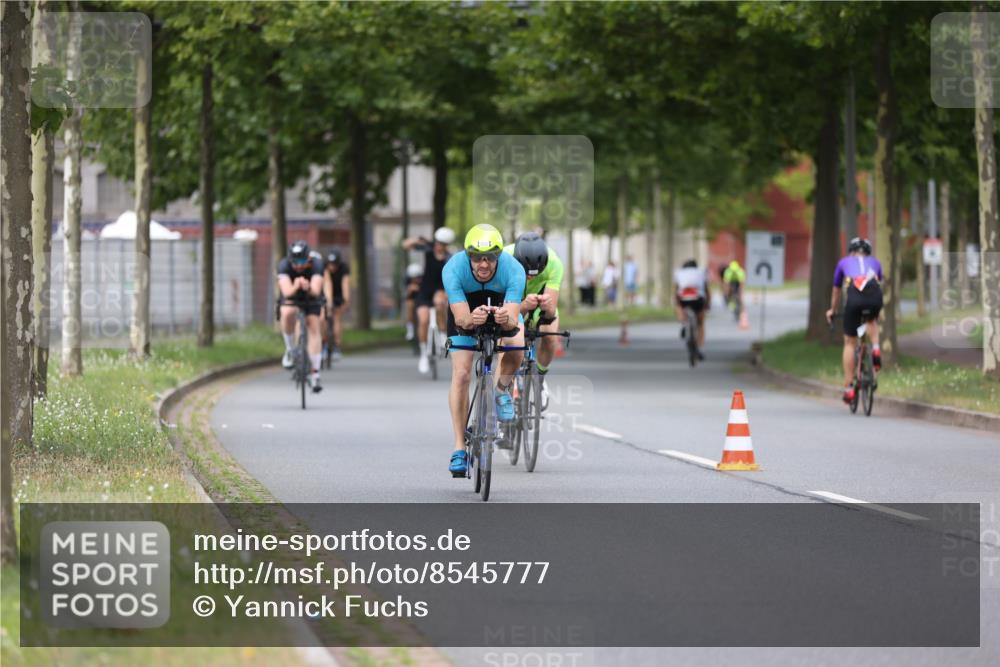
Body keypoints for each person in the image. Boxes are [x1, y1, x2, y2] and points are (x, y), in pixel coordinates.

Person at [442, 223, 526, 476]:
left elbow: (512, 321)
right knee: (462, 374)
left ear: (498, 255)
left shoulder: (514, 270)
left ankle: (500, 390)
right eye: (477, 258)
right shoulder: (453, 268)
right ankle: (459, 447)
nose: (484, 264)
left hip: (502, 309)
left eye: (490, 257)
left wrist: (504, 319)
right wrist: (472, 319)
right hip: (466, 312)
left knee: (516, 347)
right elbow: (461, 320)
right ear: (468, 256)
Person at [504, 232, 564, 408]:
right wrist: (522, 306)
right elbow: (503, 307)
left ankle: (540, 379)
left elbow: (550, 313)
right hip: (511, 301)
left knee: (550, 335)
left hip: (538, 304)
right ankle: (504, 387)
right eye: (527, 273)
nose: (530, 278)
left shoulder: (554, 264)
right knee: (505, 339)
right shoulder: (504, 259)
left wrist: (547, 306)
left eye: (536, 274)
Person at [826, 237, 884, 404]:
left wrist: (833, 310)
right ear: (868, 252)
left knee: (850, 343)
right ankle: (876, 348)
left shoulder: (843, 262)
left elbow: (836, 290)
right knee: (871, 321)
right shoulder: (875, 262)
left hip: (855, 296)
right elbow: (879, 282)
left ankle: (850, 387)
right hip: (874, 294)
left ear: (851, 252)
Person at [403, 227, 455, 374]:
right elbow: (405, 245)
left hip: (440, 289)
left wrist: (447, 292)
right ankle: (424, 354)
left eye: (442, 244)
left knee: (440, 304)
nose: (439, 245)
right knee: (423, 320)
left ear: (446, 245)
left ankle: (443, 334)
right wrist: (418, 239)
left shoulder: (449, 258)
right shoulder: (427, 250)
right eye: (437, 242)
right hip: (424, 291)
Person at [277, 241, 324, 392]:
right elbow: (286, 292)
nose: (298, 266)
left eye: (302, 261)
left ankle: (315, 374)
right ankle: (290, 350)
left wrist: (308, 287)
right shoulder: (284, 265)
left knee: (313, 325)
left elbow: (316, 290)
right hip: (292, 295)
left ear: (308, 259)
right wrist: (296, 285)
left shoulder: (317, 264)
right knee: (286, 312)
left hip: (311, 297)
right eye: (295, 262)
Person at [674, 259, 711, 359]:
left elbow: (676, 290)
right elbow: (706, 290)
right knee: (700, 324)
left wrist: (676, 302)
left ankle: (683, 322)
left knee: (679, 305)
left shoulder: (679, 273)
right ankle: (700, 348)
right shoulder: (701, 272)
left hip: (683, 298)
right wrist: (708, 304)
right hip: (698, 298)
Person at [323, 249, 351, 362]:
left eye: (334, 264)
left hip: (339, 294)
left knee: (337, 317)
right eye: (330, 264)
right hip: (325, 293)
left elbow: (346, 285)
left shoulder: (344, 268)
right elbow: (327, 284)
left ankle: (337, 346)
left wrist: (346, 301)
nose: (332, 267)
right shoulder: (324, 267)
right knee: (324, 318)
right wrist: (329, 303)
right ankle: (324, 343)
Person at [404, 262, 423, 341]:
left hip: (423, 299)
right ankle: (410, 329)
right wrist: (410, 290)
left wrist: (419, 289)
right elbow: (406, 295)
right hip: (412, 299)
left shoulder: (424, 281)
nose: (415, 279)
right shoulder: (407, 281)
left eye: (417, 277)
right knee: (409, 306)